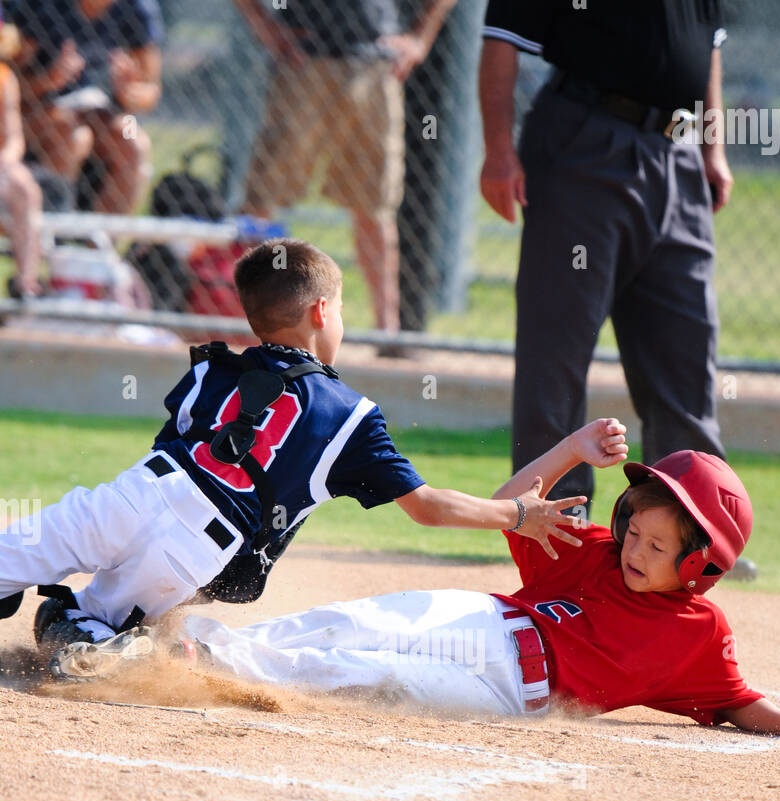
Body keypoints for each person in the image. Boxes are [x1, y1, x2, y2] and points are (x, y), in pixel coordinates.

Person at [0, 238, 583, 677]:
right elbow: (427, 507)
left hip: (137, 493)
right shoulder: (351, 415)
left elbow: (174, 444)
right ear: (322, 312)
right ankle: (98, 643)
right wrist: (518, 515)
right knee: (90, 618)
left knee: (18, 557)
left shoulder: (210, 368)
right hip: (198, 548)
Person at [178, 431, 780, 745]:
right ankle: (192, 651)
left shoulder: (698, 636)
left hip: (510, 691)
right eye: (634, 532)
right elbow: (507, 501)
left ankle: (211, 668)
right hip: (479, 618)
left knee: (368, 674)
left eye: (657, 547)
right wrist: (571, 450)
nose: (635, 552)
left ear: (700, 566)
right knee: (350, 623)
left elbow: (738, 702)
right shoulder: (592, 553)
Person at [478, 2, 733, 518]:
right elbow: (501, 38)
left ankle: (688, 526)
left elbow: (708, 48)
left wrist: (713, 147)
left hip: (678, 151)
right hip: (586, 140)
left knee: (686, 350)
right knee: (558, 348)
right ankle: (554, 524)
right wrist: (497, 150)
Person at [232, 0, 456, 337]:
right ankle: (246, 321)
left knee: (374, 204)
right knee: (265, 195)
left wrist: (420, 38)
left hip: (373, 64)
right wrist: (267, 28)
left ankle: (387, 332)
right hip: (304, 59)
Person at [8, 0, 163, 214]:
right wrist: (47, 81)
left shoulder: (137, 7)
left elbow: (151, 90)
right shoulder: (43, 6)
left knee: (134, 141)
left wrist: (130, 91)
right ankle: (47, 234)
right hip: (40, 106)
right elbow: (10, 82)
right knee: (72, 137)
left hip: (106, 109)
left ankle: (100, 243)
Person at [0, 10, 43, 297]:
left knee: (24, 187)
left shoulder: (4, 79)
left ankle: (26, 284)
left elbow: (14, 139)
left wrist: (4, 161)